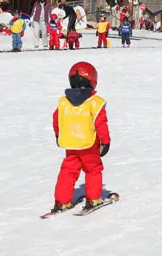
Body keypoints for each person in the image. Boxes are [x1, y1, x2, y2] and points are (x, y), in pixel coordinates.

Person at [50, 61, 111, 214]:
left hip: (70, 143)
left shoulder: (64, 102)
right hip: (88, 144)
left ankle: (62, 201)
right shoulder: (94, 102)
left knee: (68, 170)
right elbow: (100, 123)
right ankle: (94, 198)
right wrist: (106, 141)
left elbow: (56, 119)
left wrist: (58, 135)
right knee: (93, 169)